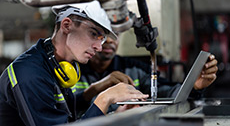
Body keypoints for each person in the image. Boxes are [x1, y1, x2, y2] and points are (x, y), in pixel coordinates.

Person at [0, 0, 149, 126]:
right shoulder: (30, 74)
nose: (99, 47)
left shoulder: (56, 64)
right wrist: (104, 99)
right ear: (66, 25)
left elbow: (68, 120)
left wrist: (113, 112)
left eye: (102, 39)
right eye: (93, 33)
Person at [75, 35, 218, 117]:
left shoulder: (135, 69)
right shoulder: (72, 70)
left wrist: (193, 86)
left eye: (115, 34)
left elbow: (166, 92)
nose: (111, 40)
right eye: (103, 34)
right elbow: (66, 110)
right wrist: (95, 89)